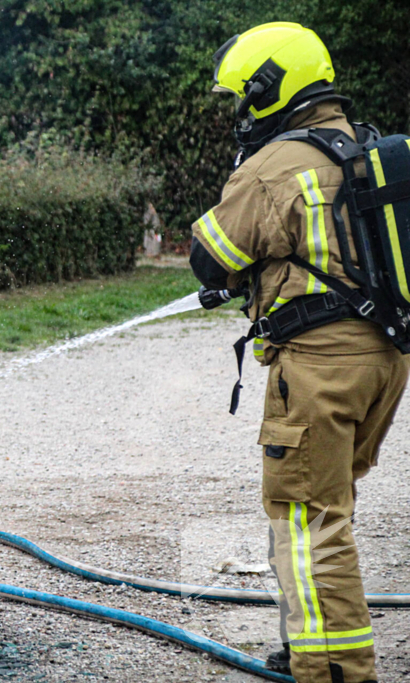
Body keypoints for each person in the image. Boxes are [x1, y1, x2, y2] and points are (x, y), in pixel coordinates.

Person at [190, 23, 409, 683]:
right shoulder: (363, 145)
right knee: (322, 504)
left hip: (321, 364)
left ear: (269, 87)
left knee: (309, 519)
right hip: (384, 357)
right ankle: (310, 646)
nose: (240, 111)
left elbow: (211, 257)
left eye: (242, 96)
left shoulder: (276, 164)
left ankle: (335, 669)